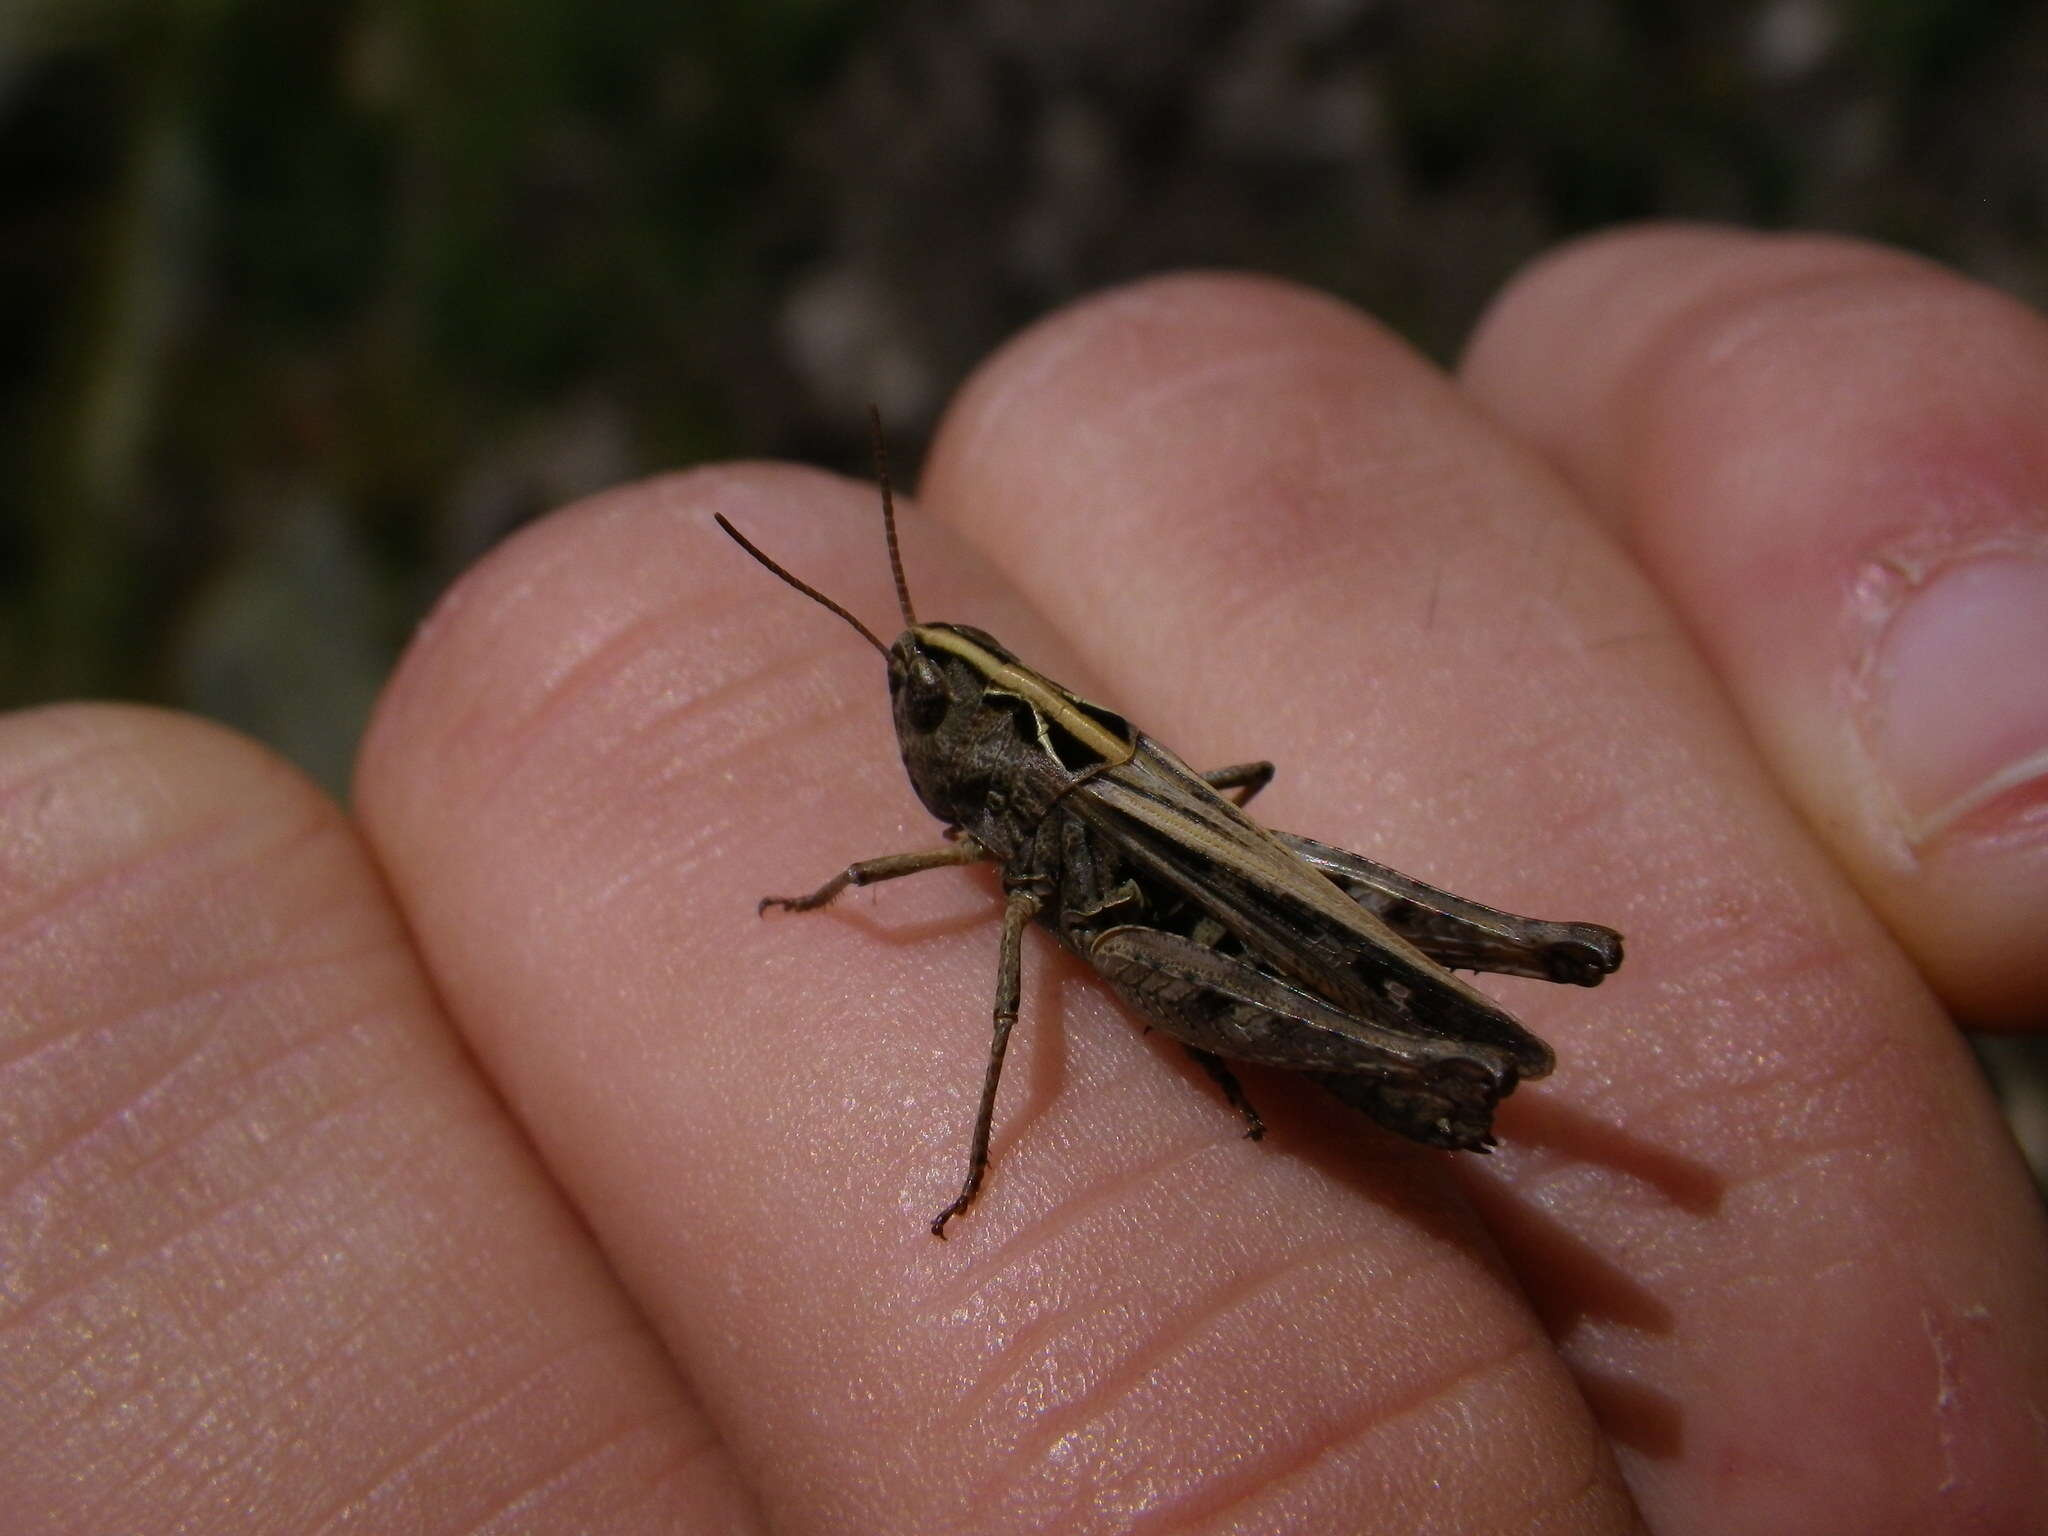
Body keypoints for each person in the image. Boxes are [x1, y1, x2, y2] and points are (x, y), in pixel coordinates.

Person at [6, 226, 2044, 1533]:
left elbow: (1045, 947)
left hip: (1216, 899)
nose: (918, 726)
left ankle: (1470, 1040)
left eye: (933, 695)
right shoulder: (1003, 786)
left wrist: (986, 1124)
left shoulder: (1024, 825)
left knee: (1125, 931)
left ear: (981, 719)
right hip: (1194, 881)